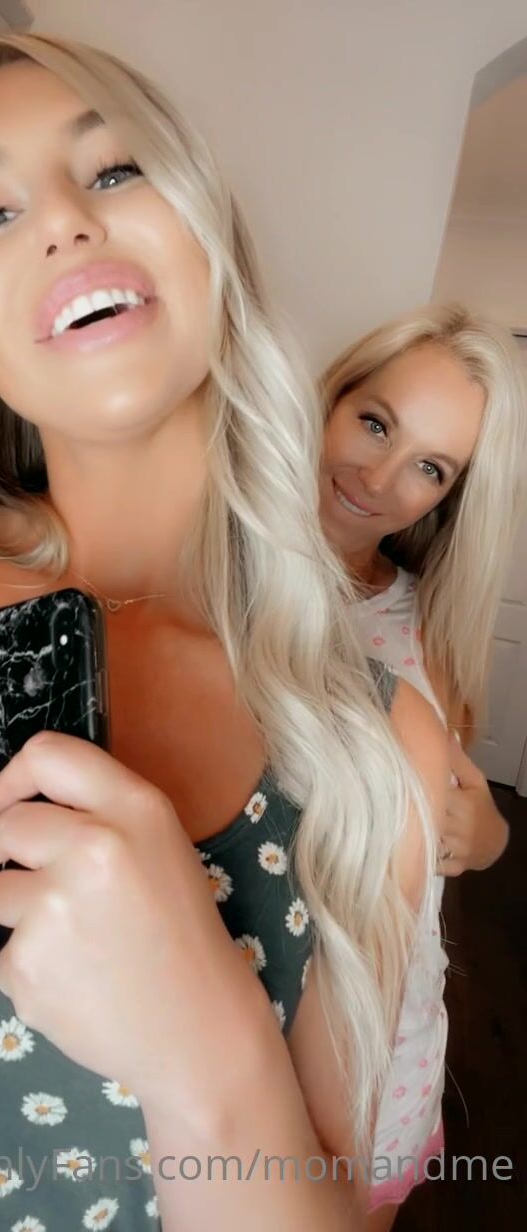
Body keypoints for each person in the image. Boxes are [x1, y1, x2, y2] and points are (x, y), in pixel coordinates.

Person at [0, 33, 448, 1230]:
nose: (64, 222)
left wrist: (206, 1051)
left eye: (116, 169)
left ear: (211, 243)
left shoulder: (384, 747)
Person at [319, 303, 527, 1227]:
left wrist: (488, 839)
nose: (379, 477)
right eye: (375, 423)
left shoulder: (421, 626)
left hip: (387, 1029)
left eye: (430, 467)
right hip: (223, 1001)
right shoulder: (197, 572)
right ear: (332, 399)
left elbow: (456, 807)